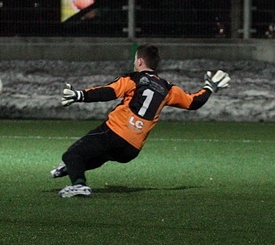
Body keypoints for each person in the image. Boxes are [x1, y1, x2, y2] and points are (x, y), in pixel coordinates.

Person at [52, 44, 230, 198]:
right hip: (132, 148)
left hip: (115, 132)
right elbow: (194, 102)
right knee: (101, 156)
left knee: (72, 155)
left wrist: (80, 95)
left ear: (139, 62)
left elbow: (109, 91)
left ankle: (79, 185)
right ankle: (71, 169)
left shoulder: (134, 79)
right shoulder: (168, 88)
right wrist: (209, 87)